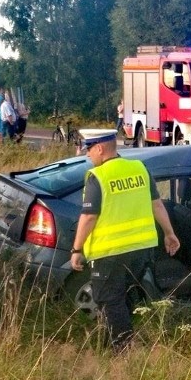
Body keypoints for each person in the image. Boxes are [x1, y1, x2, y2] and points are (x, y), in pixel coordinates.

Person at [70, 129, 181, 352]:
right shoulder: (139, 168)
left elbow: (89, 216)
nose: (88, 156)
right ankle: (122, 341)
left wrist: (76, 249)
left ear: (100, 148)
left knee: (110, 300)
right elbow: (157, 204)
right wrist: (169, 234)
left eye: (89, 150)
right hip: (141, 250)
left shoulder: (98, 176)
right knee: (126, 296)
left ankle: (123, 352)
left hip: (110, 251)